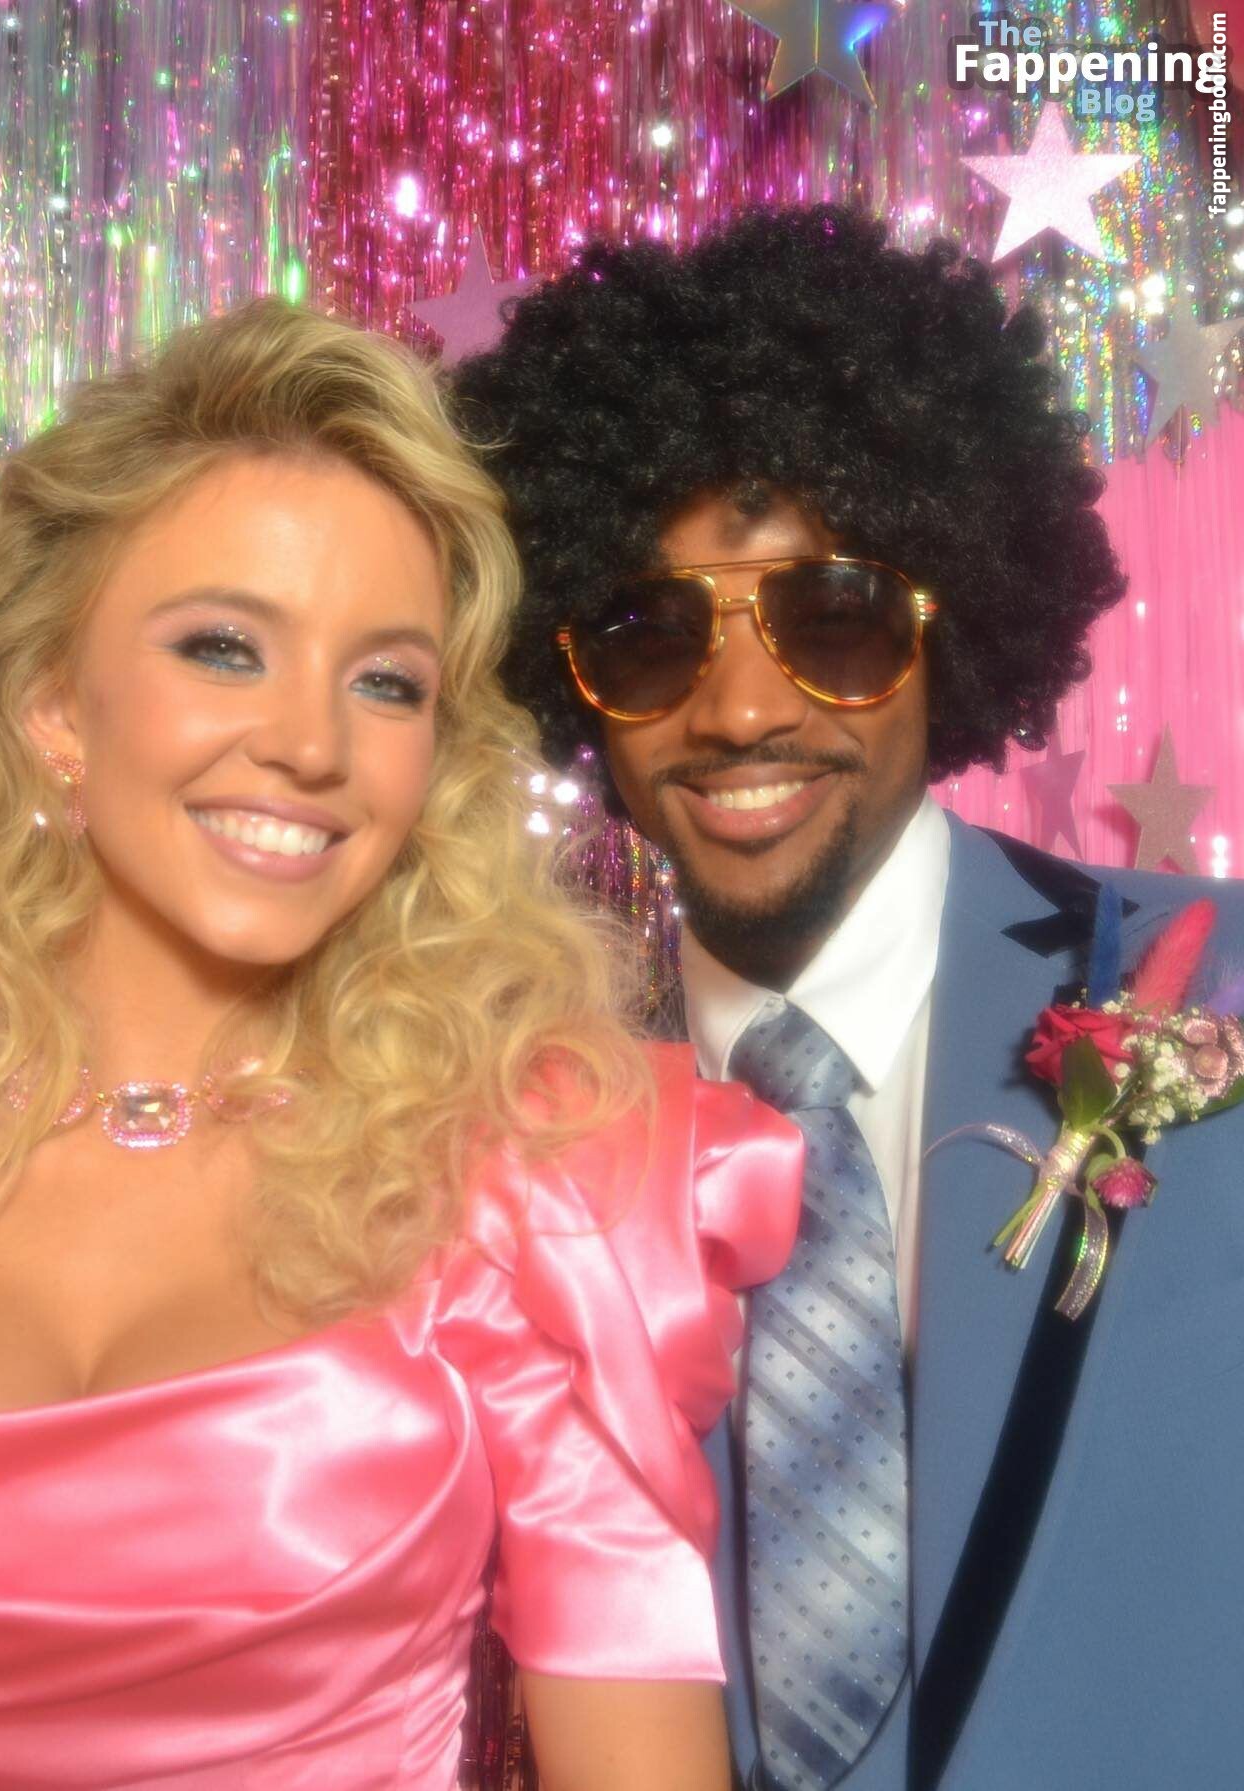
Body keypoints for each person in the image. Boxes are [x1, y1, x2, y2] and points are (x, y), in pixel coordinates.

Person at [0, 299, 804, 1790]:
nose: (315, 747)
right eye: (225, 648)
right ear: (54, 703)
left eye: (386, 681)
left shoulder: (536, 1197)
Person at [451, 203, 1244, 1791]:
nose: (741, 710)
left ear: (957, 625)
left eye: (833, 618)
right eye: (649, 636)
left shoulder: (1215, 983)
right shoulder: (505, 1133)